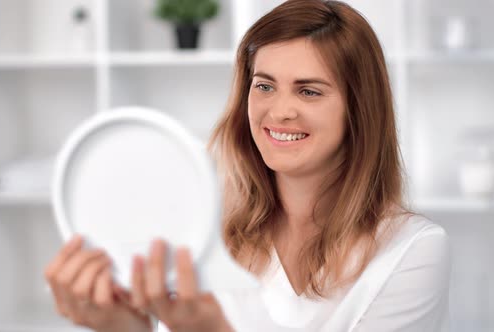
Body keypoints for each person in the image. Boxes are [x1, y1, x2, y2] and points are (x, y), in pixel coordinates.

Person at [44, 0, 452, 331]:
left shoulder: (412, 250)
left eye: (309, 91)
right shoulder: (205, 238)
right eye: (264, 86)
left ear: (360, 111)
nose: (280, 111)